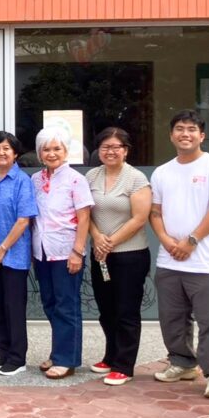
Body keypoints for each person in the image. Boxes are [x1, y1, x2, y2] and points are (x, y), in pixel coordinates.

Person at [149, 109, 209, 399]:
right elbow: (155, 212)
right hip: (169, 259)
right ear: (171, 135)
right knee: (172, 318)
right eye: (179, 129)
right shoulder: (162, 172)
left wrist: (191, 240)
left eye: (191, 129)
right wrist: (166, 240)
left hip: (206, 262)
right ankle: (182, 363)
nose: (185, 134)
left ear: (202, 135)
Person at [86, 128, 152, 386]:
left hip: (129, 255)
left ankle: (124, 364)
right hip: (100, 254)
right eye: (105, 147)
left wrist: (110, 242)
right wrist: (97, 237)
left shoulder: (136, 178)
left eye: (116, 147)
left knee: (126, 310)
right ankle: (110, 355)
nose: (110, 151)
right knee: (106, 309)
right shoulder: (92, 176)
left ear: (126, 150)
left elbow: (139, 218)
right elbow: (85, 213)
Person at [31, 126, 93, 380]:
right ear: (39, 153)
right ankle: (58, 352)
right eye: (46, 149)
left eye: (57, 148)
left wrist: (77, 251)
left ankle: (67, 359)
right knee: (50, 303)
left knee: (67, 305)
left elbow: (84, 217)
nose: (51, 153)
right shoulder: (35, 179)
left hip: (66, 251)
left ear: (66, 151)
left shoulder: (76, 179)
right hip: (42, 251)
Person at [0, 131, 37, 377]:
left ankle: (17, 357)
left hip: (13, 255)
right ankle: (3, 352)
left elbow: (24, 219)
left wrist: (2, 249)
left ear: (15, 153)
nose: (1, 153)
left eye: (6, 148)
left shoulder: (23, 181)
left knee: (14, 306)